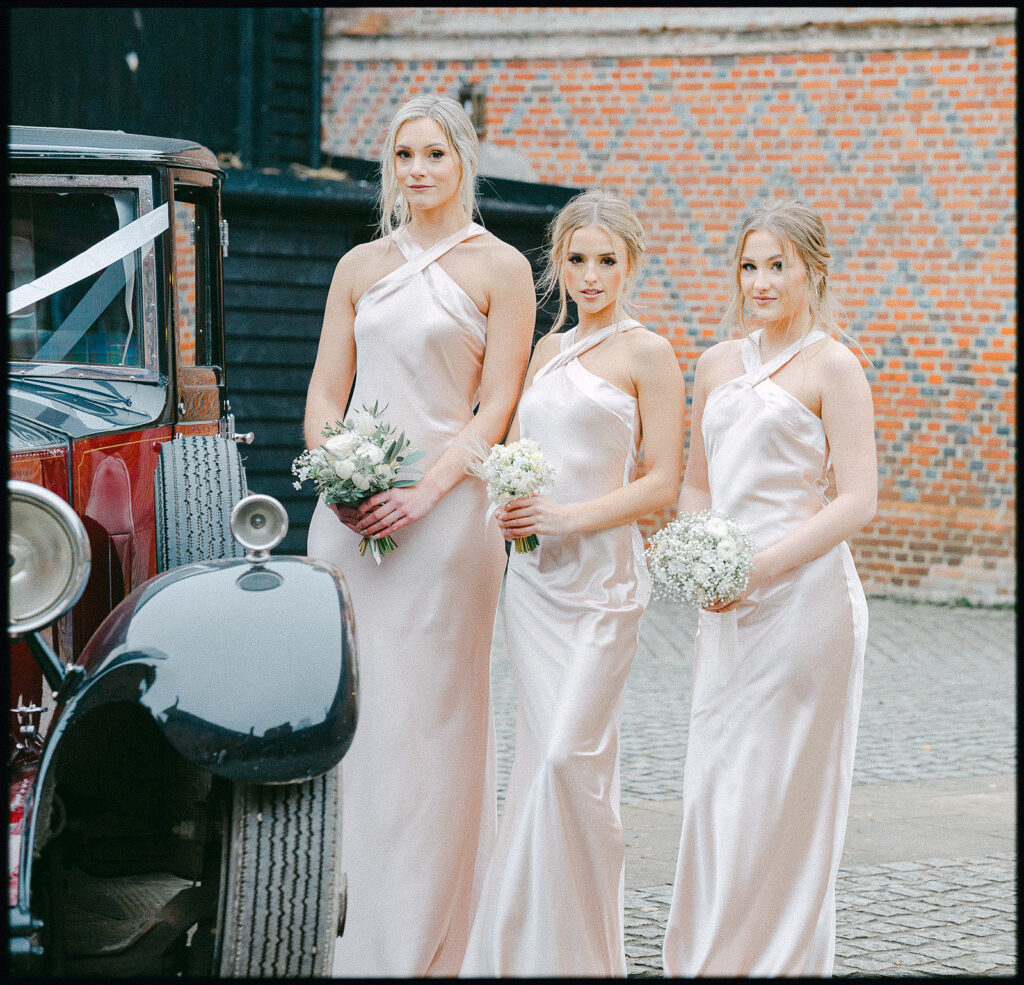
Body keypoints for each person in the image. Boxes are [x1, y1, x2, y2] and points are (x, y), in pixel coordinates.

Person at [304, 94, 535, 976]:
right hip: (349, 522)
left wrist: (426, 490)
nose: (418, 169)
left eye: (434, 153)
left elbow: (499, 401)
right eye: (404, 154)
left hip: (447, 526)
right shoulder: (359, 264)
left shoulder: (502, 266)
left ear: (462, 160)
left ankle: (422, 941)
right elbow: (325, 395)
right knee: (352, 715)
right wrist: (344, 476)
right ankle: (335, 926)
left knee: (432, 722)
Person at [460, 190, 686, 977]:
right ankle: (523, 947)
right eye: (578, 259)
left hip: (601, 585)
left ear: (631, 265)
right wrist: (513, 501)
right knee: (538, 759)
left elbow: (662, 481)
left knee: (569, 758)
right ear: (558, 264)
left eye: (607, 260)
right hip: (536, 586)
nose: (591, 275)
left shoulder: (648, 353)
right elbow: (515, 451)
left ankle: (590, 949)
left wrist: (572, 517)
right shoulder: (545, 355)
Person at [661, 199, 877, 977]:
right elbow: (694, 484)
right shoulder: (717, 363)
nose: (760, 280)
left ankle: (778, 960)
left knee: (783, 790)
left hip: (804, 605)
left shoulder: (834, 366)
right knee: (717, 786)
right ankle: (713, 954)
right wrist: (700, 557)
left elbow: (858, 499)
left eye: (777, 265)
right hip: (725, 605)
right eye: (749, 265)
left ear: (812, 271)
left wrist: (759, 567)